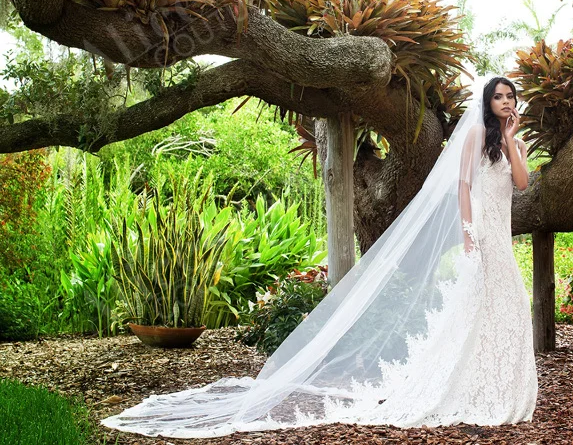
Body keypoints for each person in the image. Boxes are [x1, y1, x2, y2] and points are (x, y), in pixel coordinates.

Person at [101, 74, 538, 438]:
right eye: (498, 96)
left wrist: (516, 142)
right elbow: (462, 188)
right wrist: (466, 234)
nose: (505, 101)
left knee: (510, 307)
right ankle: (470, 388)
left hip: (501, 235)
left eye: (510, 97)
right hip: (479, 231)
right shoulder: (476, 136)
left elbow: (520, 185)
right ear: (487, 102)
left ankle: (497, 386)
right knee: (484, 306)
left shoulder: (508, 141)